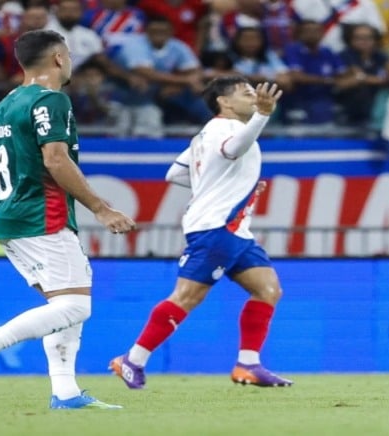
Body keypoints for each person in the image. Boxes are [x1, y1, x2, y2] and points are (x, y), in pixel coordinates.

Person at [109, 75, 292, 389]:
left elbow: (175, 174)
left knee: (268, 289)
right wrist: (262, 115)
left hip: (234, 229)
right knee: (187, 296)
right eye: (246, 93)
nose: (254, 97)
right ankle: (133, 359)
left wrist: (229, 184)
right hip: (217, 227)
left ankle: (248, 364)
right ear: (224, 101)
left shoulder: (204, 135)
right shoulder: (226, 128)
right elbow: (233, 150)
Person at [0, 29, 136, 409]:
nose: (69, 61)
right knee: (75, 307)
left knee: (65, 303)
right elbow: (55, 159)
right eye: (68, 54)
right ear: (58, 58)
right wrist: (101, 208)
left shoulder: (3, 106)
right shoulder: (51, 100)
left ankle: (66, 393)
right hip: (42, 215)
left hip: (10, 218)